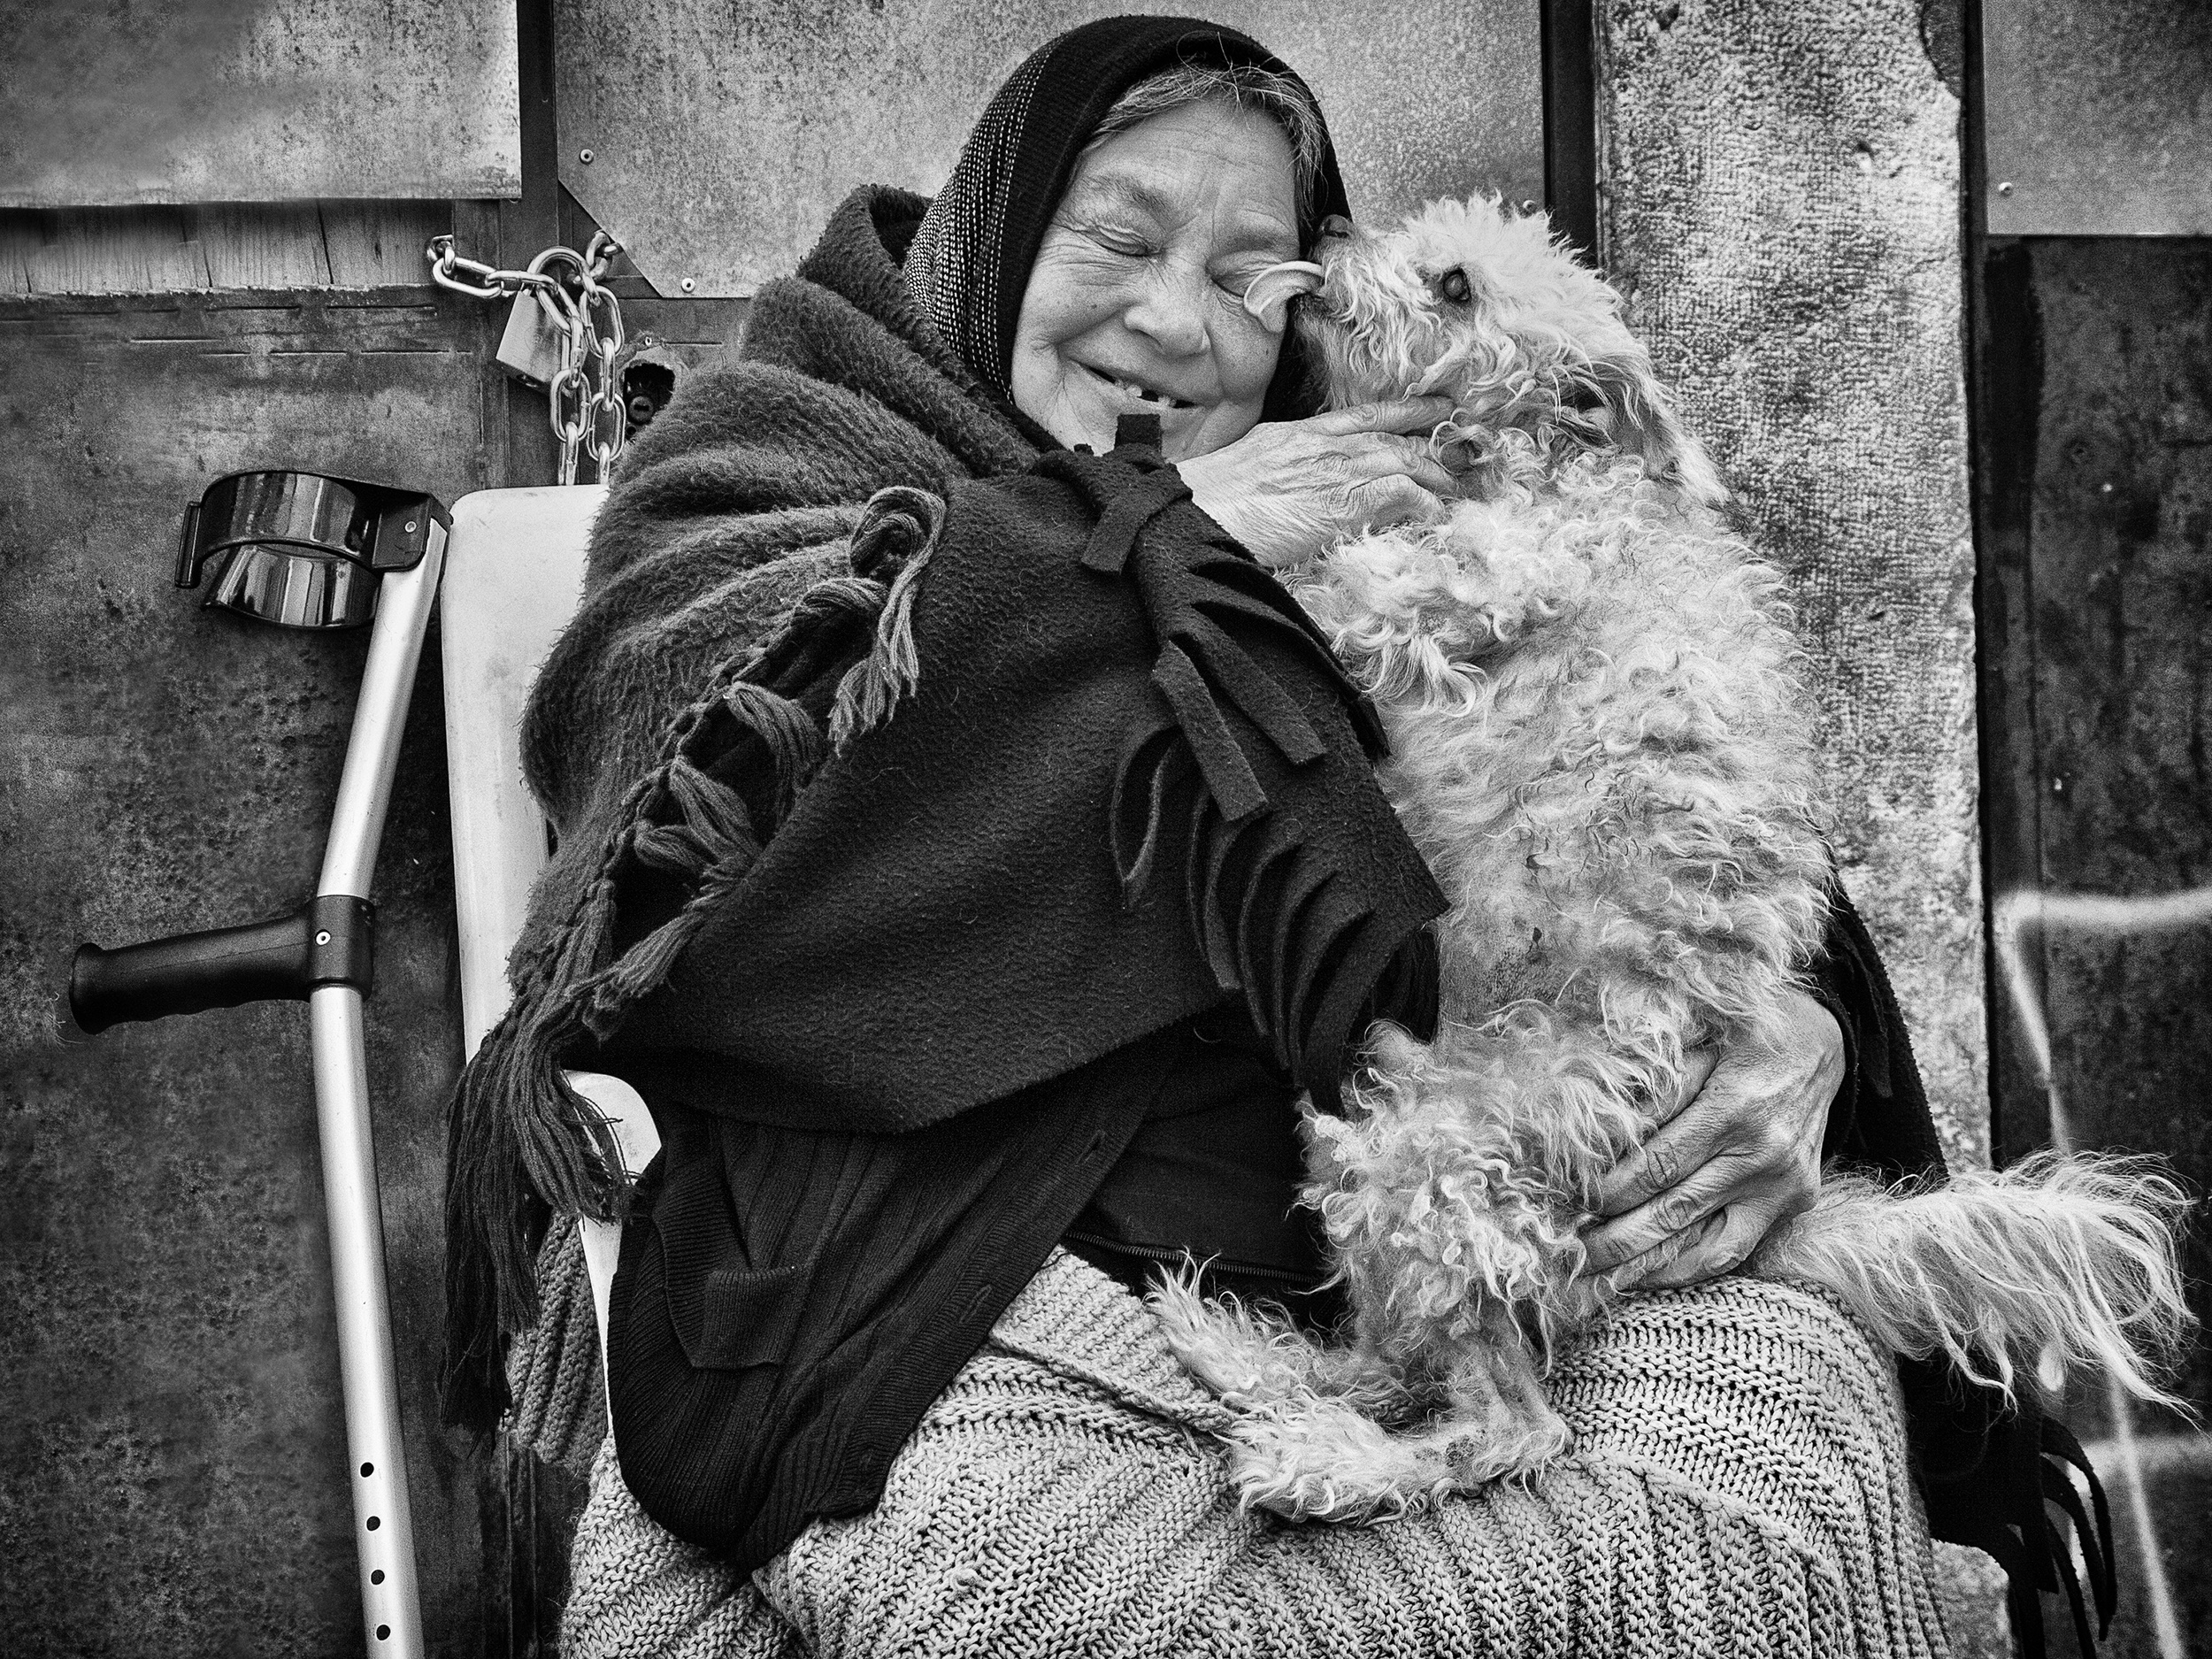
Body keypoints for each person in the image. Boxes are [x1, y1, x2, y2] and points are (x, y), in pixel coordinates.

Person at [447, 17, 2106, 1656]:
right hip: (942, 1282)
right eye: (1119, 239)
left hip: (1435, 1259)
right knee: (1080, 1606)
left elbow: (1657, 811)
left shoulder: (1397, 506)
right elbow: (681, 822)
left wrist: (1797, 1033)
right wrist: (1164, 536)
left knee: (1782, 1455)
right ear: (992, 244)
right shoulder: (788, 448)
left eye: (1251, 276)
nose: (1177, 322)